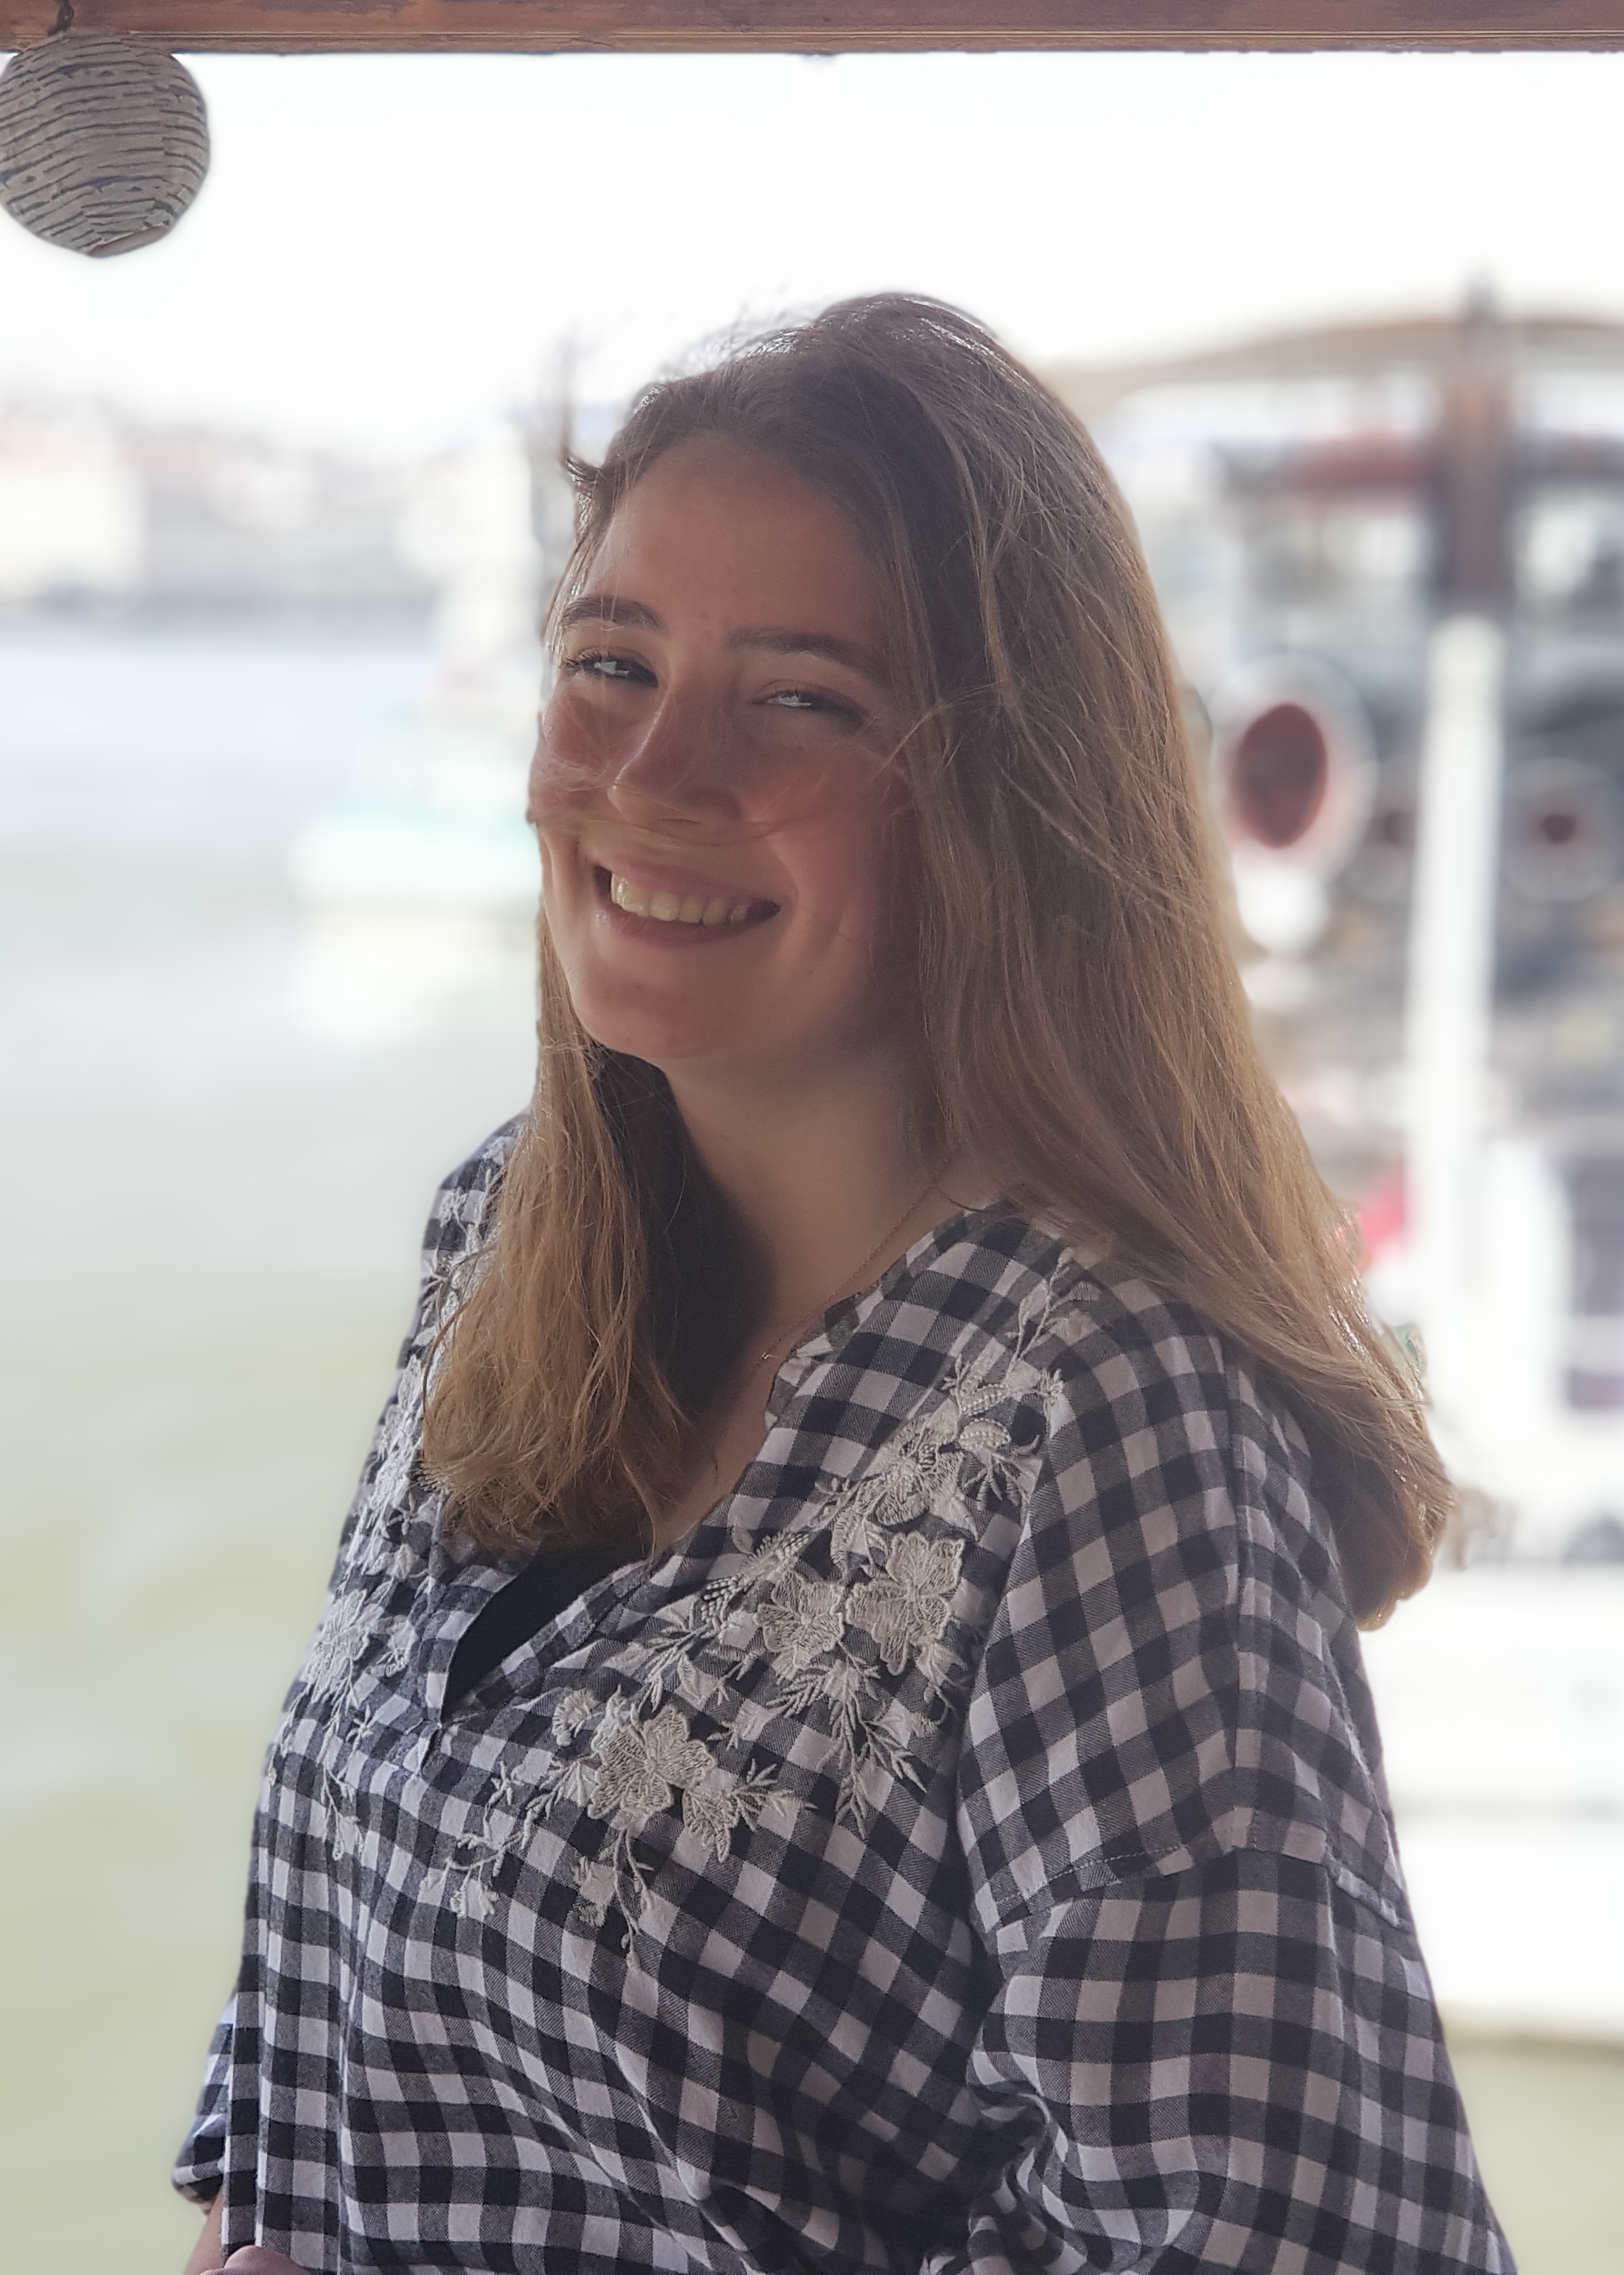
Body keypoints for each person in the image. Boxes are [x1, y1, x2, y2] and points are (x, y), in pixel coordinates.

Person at [173, 295, 1511, 2274]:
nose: (653, 770)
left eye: (800, 701)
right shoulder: (507, 1238)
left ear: (1010, 800)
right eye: (610, 664)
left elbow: (1287, 2243)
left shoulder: (1097, 1421)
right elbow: (324, 1984)